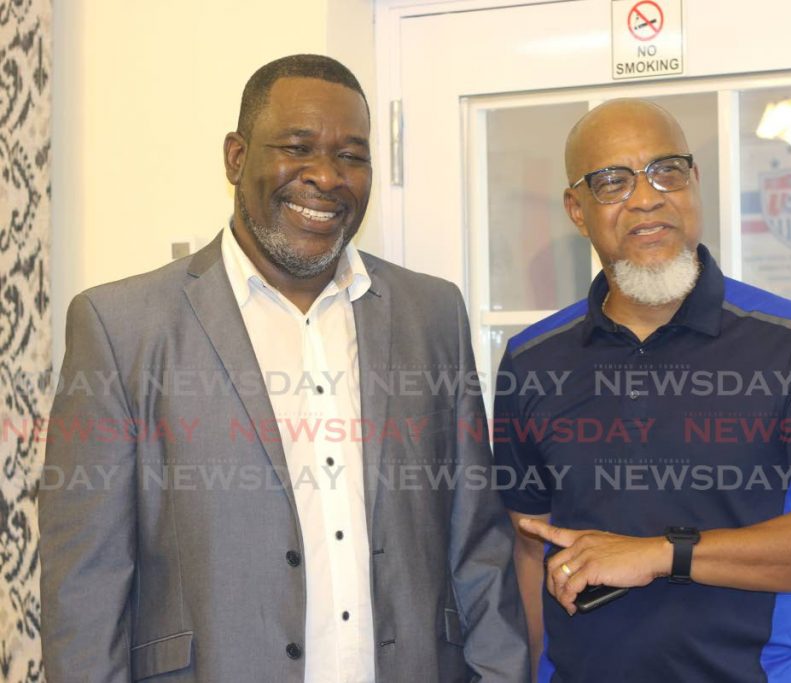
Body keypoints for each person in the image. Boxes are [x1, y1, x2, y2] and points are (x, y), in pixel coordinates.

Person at [39, 54, 528, 683]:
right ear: (236, 158)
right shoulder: (120, 327)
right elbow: (86, 581)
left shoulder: (431, 313)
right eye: (298, 148)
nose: (326, 176)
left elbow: (477, 545)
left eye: (352, 155)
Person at [492, 99, 791, 682]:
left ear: (695, 182)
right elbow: (529, 551)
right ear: (577, 211)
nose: (647, 196)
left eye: (666, 170)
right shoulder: (532, 360)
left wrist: (659, 554)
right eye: (612, 181)